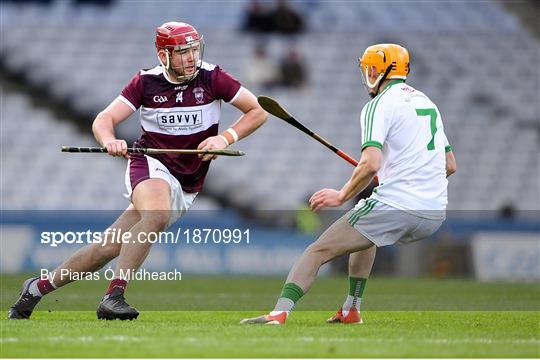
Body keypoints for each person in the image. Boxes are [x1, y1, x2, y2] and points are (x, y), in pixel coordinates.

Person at [8, 22, 268, 320]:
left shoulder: (213, 77)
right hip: (149, 162)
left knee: (106, 249)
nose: (191, 57)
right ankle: (114, 296)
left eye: (194, 50)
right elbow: (104, 119)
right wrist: (109, 140)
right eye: (182, 52)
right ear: (163, 55)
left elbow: (257, 110)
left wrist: (225, 138)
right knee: (156, 214)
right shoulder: (145, 82)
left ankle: (36, 289)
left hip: (187, 181)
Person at [241, 43, 456, 325]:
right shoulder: (428, 103)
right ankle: (351, 310)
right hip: (434, 213)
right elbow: (449, 165)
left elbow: (370, 163)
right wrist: (401, 177)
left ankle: (278, 313)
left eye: (370, 68)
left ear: (381, 70)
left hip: (397, 206)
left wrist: (342, 195)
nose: (367, 74)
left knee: (316, 251)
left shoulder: (377, 105)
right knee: (366, 236)